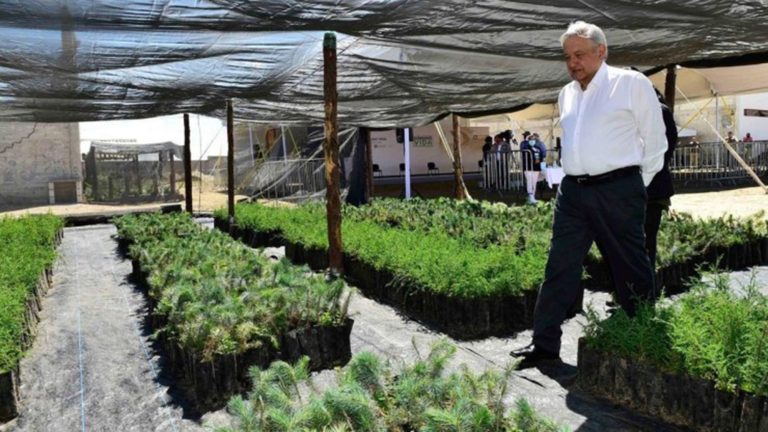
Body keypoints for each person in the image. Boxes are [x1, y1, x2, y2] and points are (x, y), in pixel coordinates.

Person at [511, 21, 666, 368]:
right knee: (559, 266)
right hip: (573, 193)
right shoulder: (567, 93)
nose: (572, 63)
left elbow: (656, 142)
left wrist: (635, 186)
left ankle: (641, 337)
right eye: (568, 56)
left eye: (579, 54)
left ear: (602, 51)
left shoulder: (631, 84)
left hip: (618, 188)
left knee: (630, 265)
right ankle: (544, 344)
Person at [521, 132, 547, 204]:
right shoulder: (526, 148)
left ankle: (533, 196)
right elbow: (524, 157)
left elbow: (542, 155)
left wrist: (539, 161)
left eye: (533, 140)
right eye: (531, 140)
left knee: (534, 182)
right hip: (528, 168)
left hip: (536, 167)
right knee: (529, 181)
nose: (532, 141)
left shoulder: (538, 148)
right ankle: (530, 196)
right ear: (528, 141)